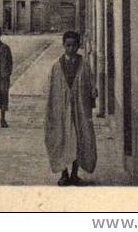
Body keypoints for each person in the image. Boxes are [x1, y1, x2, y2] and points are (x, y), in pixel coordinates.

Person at [44, 30, 97, 186]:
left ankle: (74, 174)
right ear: (63, 46)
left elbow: (90, 83)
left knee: (79, 140)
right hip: (62, 110)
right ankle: (63, 174)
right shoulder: (56, 66)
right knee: (62, 139)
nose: (71, 48)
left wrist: (93, 92)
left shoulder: (84, 65)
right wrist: (53, 109)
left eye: (74, 45)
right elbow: (52, 90)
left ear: (79, 46)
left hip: (79, 110)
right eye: (68, 45)